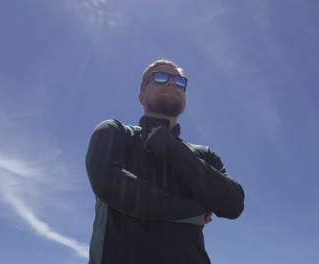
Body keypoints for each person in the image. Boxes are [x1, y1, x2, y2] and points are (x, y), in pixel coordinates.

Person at [85, 59, 245, 264]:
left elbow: (232, 204)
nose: (171, 83)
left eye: (179, 82)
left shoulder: (204, 154)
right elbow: (109, 186)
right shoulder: (114, 133)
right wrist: (197, 211)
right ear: (141, 96)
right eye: (160, 77)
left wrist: (170, 147)